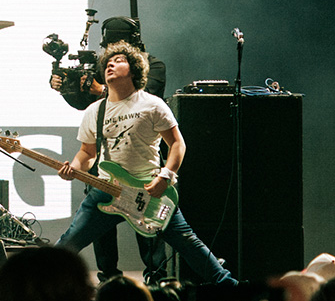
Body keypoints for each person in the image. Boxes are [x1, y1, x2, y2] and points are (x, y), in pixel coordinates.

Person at [55, 41, 235, 286]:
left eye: (119, 60)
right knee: (68, 243)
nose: (110, 64)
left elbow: (177, 144)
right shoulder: (95, 111)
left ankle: (229, 287)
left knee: (188, 243)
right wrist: (74, 168)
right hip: (106, 190)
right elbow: (87, 153)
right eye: (108, 61)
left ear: (134, 70)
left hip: (149, 190)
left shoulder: (152, 104)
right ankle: (33, 288)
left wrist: (166, 175)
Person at [50, 16, 168, 284]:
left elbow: (147, 94)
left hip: (142, 166)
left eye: (118, 46)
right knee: (97, 228)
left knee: (148, 225)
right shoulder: (103, 68)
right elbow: (83, 103)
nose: (111, 54)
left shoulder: (153, 66)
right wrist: (65, 88)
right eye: (109, 47)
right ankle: (109, 277)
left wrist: (100, 89)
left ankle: (157, 279)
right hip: (105, 162)